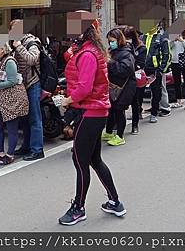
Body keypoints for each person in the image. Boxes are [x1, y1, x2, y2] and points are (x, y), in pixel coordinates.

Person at [58, 20, 126, 226]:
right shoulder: (89, 50)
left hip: (90, 111)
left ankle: (78, 208)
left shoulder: (88, 54)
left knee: (80, 160)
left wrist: (68, 100)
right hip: (95, 111)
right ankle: (115, 202)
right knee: (94, 159)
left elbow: (85, 87)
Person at [0, 42, 28, 166]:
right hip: (1, 101)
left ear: (3, 49)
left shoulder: (9, 62)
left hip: (12, 100)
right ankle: (0, 152)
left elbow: (12, 81)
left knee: (11, 127)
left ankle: (10, 155)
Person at [9, 20, 44, 161]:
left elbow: (32, 59)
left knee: (35, 118)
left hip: (33, 83)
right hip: (21, 85)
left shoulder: (32, 42)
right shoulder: (15, 43)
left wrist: (19, 47)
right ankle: (26, 146)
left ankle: (37, 150)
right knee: (24, 117)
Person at [102, 29, 136, 147]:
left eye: (112, 41)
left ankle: (120, 136)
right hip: (114, 86)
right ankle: (109, 132)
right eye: (109, 41)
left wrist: (110, 63)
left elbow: (126, 70)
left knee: (119, 110)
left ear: (119, 39)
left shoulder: (126, 53)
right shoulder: (113, 51)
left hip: (125, 86)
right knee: (111, 109)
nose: (111, 43)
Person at [143, 22, 171, 123]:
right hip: (142, 69)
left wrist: (161, 69)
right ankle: (137, 113)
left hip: (155, 70)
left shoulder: (162, 38)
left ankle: (154, 113)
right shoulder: (142, 37)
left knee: (157, 92)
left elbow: (166, 55)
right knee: (138, 93)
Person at [124, 27, 146, 135]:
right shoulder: (122, 47)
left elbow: (141, 64)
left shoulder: (141, 47)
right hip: (124, 78)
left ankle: (135, 125)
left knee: (136, 102)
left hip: (135, 77)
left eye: (128, 37)